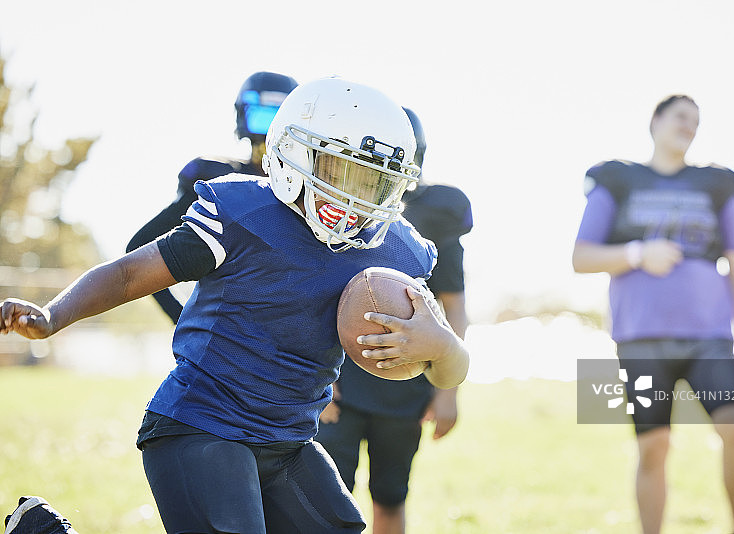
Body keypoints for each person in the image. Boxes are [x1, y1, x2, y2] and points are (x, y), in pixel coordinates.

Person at [1, 77, 470, 534]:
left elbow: (448, 371)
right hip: (200, 424)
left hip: (287, 441)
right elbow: (128, 274)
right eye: (339, 171)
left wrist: (445, 349)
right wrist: (52, 316)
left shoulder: (395, 254)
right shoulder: (244, 214)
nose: (353, 197)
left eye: (372, 182)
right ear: (294, 154)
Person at [572, 95, 734, 534]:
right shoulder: (616, 180)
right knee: (653, 446)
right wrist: (639, 253)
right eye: (681, 116)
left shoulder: (715, 185)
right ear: (655, 121)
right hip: (641, 342)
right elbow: (581, 257)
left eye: (696, 121)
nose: (689, 126)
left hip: (709, 338)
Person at [316, 106, 472, 534]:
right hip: (340, 383)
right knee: (328, 505)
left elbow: (452, 303)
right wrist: (316, 380)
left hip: (405, 382)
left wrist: (448, 390)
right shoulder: (334, 203)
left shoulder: (434, 212)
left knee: (390, 496)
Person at [126, 71, 298, 322]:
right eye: (263, 115)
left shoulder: (309, 192)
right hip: (227, 338)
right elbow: (140, 247)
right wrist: (184, 319)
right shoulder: (217, 180)